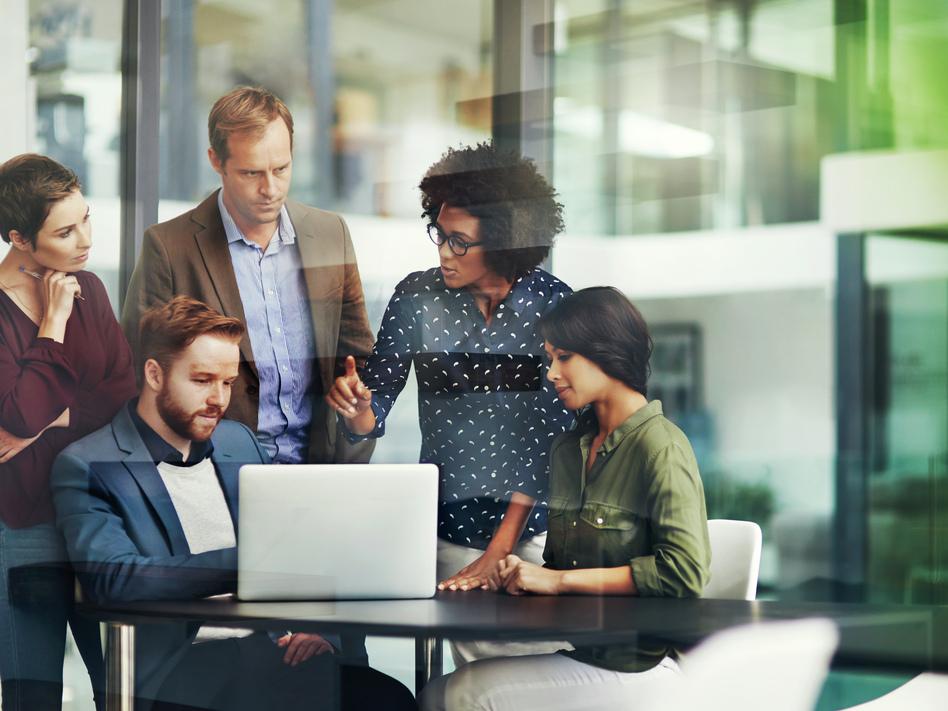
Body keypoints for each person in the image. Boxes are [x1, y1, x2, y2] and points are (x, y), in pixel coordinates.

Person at [52, 296, 416, 711]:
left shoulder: (237, 441)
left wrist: (316, 630)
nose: (218, 399)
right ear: (154, 374)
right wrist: (248, 566)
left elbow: (296, 548)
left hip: (270, 653)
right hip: (178, 674)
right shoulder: (88, 463)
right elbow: (112, 579)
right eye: (203, 380)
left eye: (227, 383)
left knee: (390, 699)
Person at [326, 142, 573, 664]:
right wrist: (358, 409)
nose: (443, 253)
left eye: (459, 242)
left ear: (504, 243)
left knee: (531, 671)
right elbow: (378, 403)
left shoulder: (554, 307)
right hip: (445, 530)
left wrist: (497, 553)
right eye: (439, 234)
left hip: (533, 536)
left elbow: (551, 443)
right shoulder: (417, 298)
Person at [419, 287, 712, 711]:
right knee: (436, 693)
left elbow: (684, 573)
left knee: (463, 694)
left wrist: (556, 581)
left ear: (607, 354)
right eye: (550, 358)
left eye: (565, 357)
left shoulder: (661, 446)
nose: (552, 373)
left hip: (641, 669)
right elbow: (562, 567)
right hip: (583, 653)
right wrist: (521, 576)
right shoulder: (569, 450)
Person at [121, 85, 375, 468]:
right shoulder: (169, 248)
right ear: (215, 161)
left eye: (281, 169)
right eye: (251, 172)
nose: (270, 189)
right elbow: (139, 375)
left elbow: (357, 357)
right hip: (213, 474)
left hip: (319, 470)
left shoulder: (329, 234)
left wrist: (357, 406)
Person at [0, 153, 137, 710]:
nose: (84, 240)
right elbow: (19, 416)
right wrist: (53, 323)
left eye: (86, 219)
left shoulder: (94, 290)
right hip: (22, 523)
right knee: (33, 695)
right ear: (19, 239)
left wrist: (46, 419)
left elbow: (120, 395)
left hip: (98, 518)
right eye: (64, 231)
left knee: (123, 686)